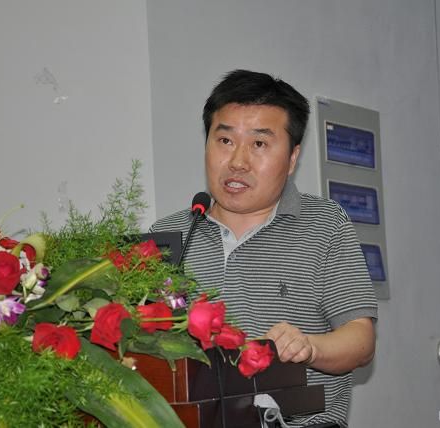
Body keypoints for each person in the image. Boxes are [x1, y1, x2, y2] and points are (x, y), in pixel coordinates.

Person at [150, 69, 378, 427]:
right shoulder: (171, 234)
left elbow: (361, 340)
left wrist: (309, 347)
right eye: (225, 140)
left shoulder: (324, 224)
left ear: (292, 158)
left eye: (259, 144)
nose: (238, 161)